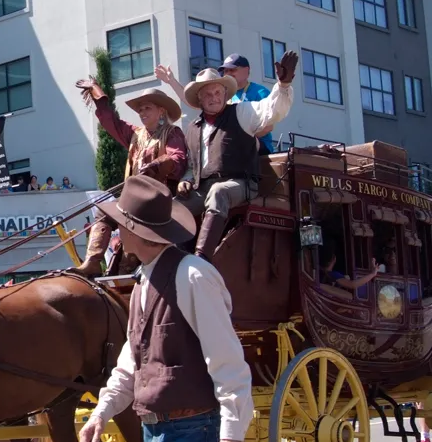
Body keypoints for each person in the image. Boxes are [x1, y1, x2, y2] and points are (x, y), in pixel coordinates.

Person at [77, 174, 254, 442]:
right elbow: (131, 363)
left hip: (193, 432)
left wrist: (232, 435)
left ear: (137, 232)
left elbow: (227, 360)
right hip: (155, 433)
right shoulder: (142, 283)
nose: (115, 233)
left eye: (120, 225)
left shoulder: (194, 276)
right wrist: (101, 413)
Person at [175, 51, 299, 262]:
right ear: (199, 99)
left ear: (225, 94)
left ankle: (201, 260)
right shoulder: (193, 128)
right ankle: (173, 260)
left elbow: (271, 110)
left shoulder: (242, 112)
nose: (214, 97)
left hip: (240, 184)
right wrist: (185, 180)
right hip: (202, 188)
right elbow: (191, 166)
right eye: (208, 94)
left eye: (217, 92)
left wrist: (284, 85)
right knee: (172, 207)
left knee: (218, 192)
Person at [73, 77, 189, 277]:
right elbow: (112, 122)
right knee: (103, 212)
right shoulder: (136, 134)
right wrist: (97, 93)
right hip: (135, 199)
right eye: (140, 109)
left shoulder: (173, 133)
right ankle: (92, 261)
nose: (142, 113)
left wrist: (156, 165)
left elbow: (178, 158)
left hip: (160, 199)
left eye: (147, 108)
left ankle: (127, 271)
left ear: (161, 111)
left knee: (130, 235)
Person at [218, 53, 276, 155]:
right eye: (226, 71)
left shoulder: (260, 93)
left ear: (246, 71)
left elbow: (268, 127)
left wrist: (241, 138)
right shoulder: (224, 95)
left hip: (258, 146)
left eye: (233, 70)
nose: (228, 73)